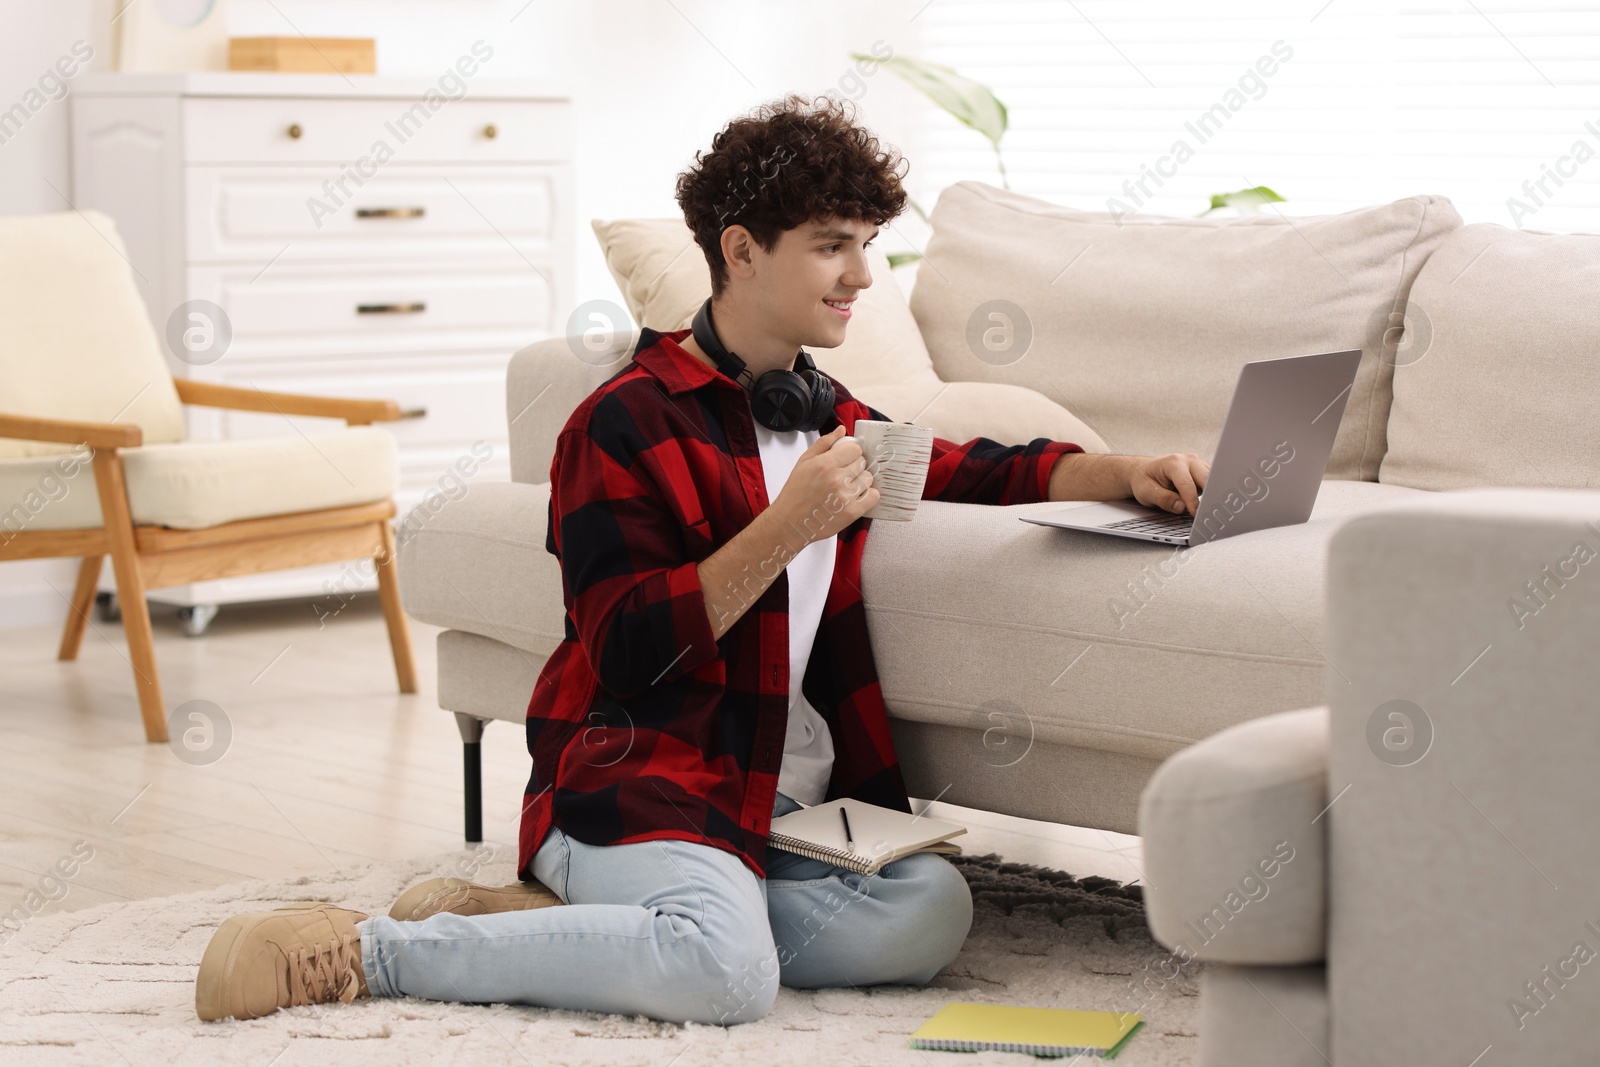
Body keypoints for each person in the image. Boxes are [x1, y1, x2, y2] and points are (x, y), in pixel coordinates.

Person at [192, 91, 1210, 1027]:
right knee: (731, 975)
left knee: (934, 907)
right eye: (831, 247)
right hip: (648, 779)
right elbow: (629, 649)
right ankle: (377, 949)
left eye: (866, 247)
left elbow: (969, 469)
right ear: (742, 251)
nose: (861, 276)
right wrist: (785, 525)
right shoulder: (617, 427)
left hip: (779, 798)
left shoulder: (830, 413)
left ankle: (554, 922)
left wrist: (1122, 469)